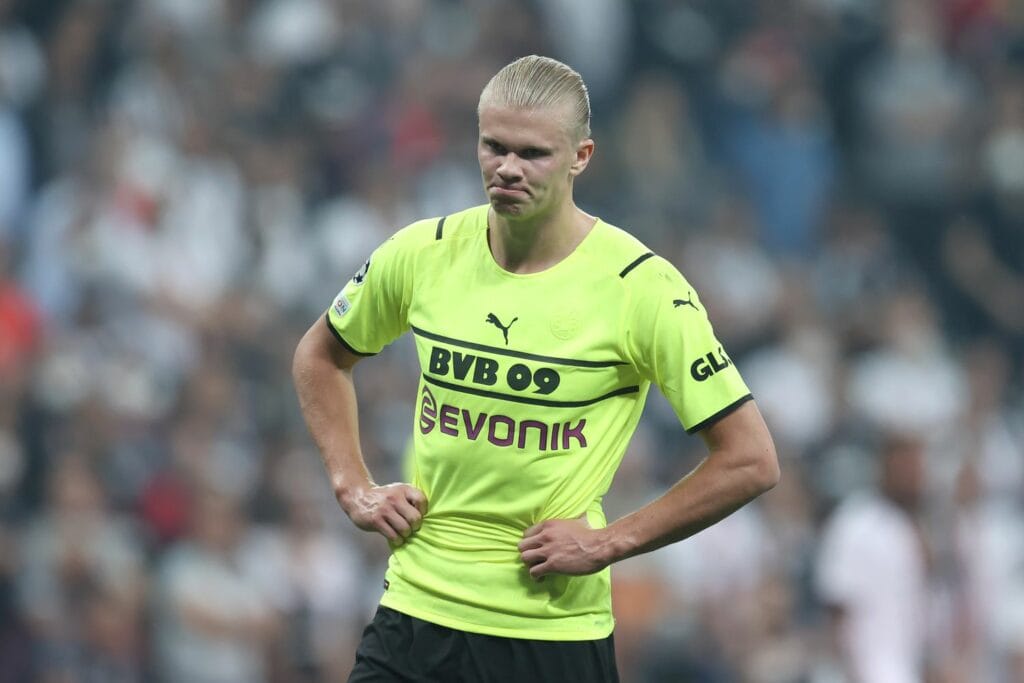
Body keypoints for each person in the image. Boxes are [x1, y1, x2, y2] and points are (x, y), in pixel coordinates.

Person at [292, 55, 779, 682]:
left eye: (533, 154)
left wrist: (609, 541)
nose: (508, 168)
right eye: (493, 146)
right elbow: (320, 355)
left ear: (581, 157)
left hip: (549, 634)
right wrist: (352, 483)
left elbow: (750, 459)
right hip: (415, 615)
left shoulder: (640, 287)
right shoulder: (423, 252)